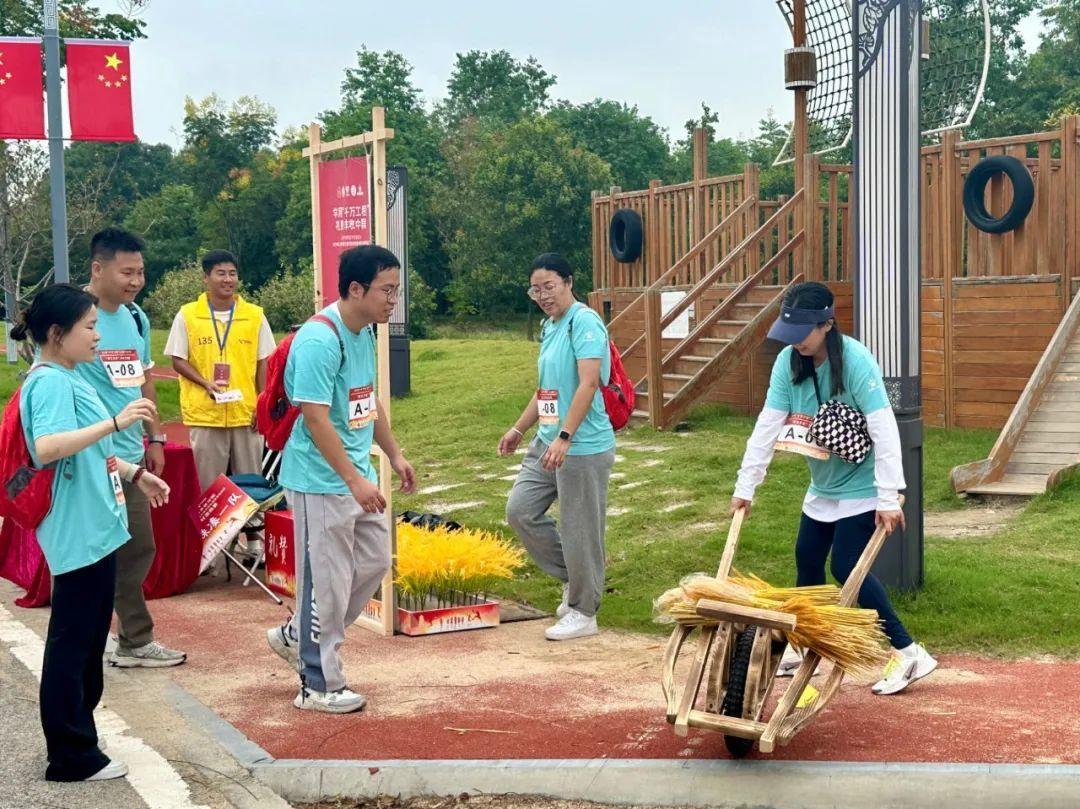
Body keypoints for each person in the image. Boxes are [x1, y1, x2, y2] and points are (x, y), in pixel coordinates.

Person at [730, 281, 937, 695]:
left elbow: (883, 427)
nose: (794, 342)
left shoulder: (857, 361)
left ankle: (909, 650)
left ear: (826, 324)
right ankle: (807, 643)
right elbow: (767, 426)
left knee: (846, 568)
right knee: (806, 560)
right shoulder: (789, 363)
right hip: (822, 488)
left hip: (862, 488)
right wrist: (746, 486)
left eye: (802, 332)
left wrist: (887, 495)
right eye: (788, 333)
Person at [14, 284, 169, 781]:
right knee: (72, 642)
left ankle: (80, 738)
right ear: (58, 334)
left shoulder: (68, 375)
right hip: (77, 530)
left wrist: (133, 473)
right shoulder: (52, 382)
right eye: (89, 327)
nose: (98, 335)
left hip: (96, 527)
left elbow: (85, 450)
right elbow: (50, 446)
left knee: (83, 639)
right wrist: (117, 421)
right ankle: (71, 755)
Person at [264, 245, 416, 713]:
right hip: (319, 481)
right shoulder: (319, 340)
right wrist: (353, 480)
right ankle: (318, 684)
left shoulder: (364, 333)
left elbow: (366, 402)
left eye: (395, 289)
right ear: (355, 289)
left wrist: (393, 453)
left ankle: (298, 635)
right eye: (386, 290)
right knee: (325, 583)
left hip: (355, 475)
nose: (394, 299)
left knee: (372, 562)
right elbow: (315, 420)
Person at [78, 228, 186, 668]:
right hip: (87, 457)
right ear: (98, 269)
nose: (136, 280)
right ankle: (98, 638)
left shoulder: (137, 318)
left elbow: (144, 381)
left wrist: (155, 437)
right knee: (92, 552)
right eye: (127, 272)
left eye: (141, 271)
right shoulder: (73, 316)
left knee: (138, 546)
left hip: (131, 454)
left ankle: (132, 639)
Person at [502, 253, 616, 642]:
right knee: (520, 510)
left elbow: (587, 384)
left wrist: (566, 437)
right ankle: (576, 576)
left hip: (582, 445)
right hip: (546, 440)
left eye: (549, 286)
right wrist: (519, 428)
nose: (542, 295)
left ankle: (584, 611)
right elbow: (546, 389)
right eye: (536, 289)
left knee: (580, 528)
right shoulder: (551, 326)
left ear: (568, 282)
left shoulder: (584, 323)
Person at [166, 249, 275, 560]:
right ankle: (209, 551)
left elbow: (263, 362)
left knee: (252, 480)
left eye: (232, 273)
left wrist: (262, 403)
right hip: (206, 413)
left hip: (246, 414)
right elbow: (177, 358)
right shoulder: (188, 315)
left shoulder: (255, 315)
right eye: (220, 273)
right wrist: (205, 383)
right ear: (206, 277)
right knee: (209, 486)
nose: (228, 279)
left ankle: (254, 545)